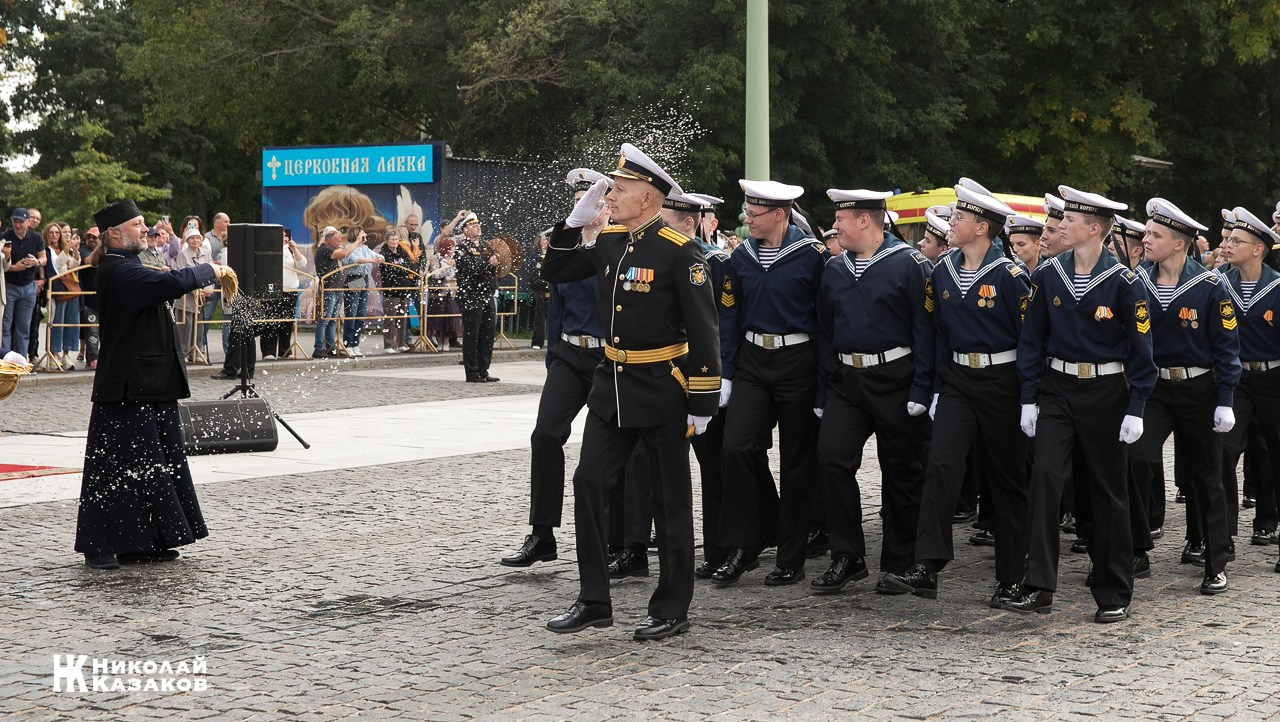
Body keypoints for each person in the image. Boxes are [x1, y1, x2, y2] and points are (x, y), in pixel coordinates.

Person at [542, 143, 719, 641]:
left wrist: (703, 402)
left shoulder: (680, 251)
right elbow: (555, 271)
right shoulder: (612, 241)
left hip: (662, 387)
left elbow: (705, 330)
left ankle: (671, 606)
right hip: (612, 386)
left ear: (648, 198)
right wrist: (572, 225)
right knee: (588, 482)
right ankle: (594, 600)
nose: (610, 197)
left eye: (619, 190)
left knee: (669, 500)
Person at [1005, 185, 1155, 623]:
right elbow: (1032, 339)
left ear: (1094, 229)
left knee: (1108, 491)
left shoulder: (1125, 282)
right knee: (1046, 477)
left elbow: (1142, 352)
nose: (1060, 226)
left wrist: (1137, 405)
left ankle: (1113, 589)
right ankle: (1039, 584)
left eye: (1070, 220)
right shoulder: (1049, 274)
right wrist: (1028, 397)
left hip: (1107, 392)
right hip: (1057, 389)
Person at [881, 183, 1028, 605]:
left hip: (1003, 382)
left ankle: (1012, 575)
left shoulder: (1010, 277)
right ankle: (927, 565)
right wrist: (932, 388)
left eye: (960, 218)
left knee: (1007, 478)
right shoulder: (943, 270)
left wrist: (1029, 396)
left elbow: (1029, 340)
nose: (951, 224)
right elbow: (935, 333)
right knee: (940, 468)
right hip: (958, 382)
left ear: (982, 228)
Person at [75, 199, 231, 569]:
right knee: (115, 469)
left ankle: (144, 541)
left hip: (150, 382)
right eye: (137, 224)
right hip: (126, 386)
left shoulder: (130, 266)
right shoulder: (118, 270)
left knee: (155, 466)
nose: (145, 229)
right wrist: (210, 269)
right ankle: (101, 544)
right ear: (114, 234)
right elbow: (171, 282)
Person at [810, 188, 934, 594]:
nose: (835, 227)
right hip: (846, 381)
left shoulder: (910, 264)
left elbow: (925, 330)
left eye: (840, 220)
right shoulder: (834, 268)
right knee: (831, 460)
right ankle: (847, 556)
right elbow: (824, 329)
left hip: (896, 379)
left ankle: (901, 560)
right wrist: (826, 386)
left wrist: (922, 387)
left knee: (901, 469)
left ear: (865, 220)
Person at [708, 179, 827, 588]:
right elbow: (730, 318)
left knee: (796, 462)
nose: (748, 220)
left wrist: (824, 382)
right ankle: (745, 544)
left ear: (780, 215)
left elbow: (824, 321)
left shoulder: (812, 256)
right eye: (747, 212)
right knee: (736, 447)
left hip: (799, 361)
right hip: (753, 362)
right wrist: (727, 373)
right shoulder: (740, 256)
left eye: (755, 214)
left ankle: (791, 557)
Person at [1127, 198, 1240, 597]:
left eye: (1154, 235)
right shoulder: (1136, 280)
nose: (1146, 240)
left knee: (1207, 474)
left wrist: (1225, 397)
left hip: (1199, 389)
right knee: (1134, 458)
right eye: (1146, 232)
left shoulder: (1210, 286)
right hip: (1154, 389)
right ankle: (1136, 548)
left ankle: (1215, 561)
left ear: (1179, 243)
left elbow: (1226, 346)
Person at [501, 168, 613, 569]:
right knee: (545, 434)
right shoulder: (565, 251)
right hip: (570, 355)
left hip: (608, 359)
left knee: (616, 449)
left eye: (593, 202)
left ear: (608, 207)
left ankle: (624, 538)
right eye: (579, 202)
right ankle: (542, 534)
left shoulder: (618, 247)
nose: (585, 208)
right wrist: (553, 360)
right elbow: (556, 311)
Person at [1215, 206, 1280, 568]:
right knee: (1224, 451)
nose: (1227, 245)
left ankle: (1271, 522)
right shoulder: (1218, 284)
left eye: (1236, 241)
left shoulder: (1277, 286)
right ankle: (1221, 538)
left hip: (1274, 379)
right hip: (1235, 380)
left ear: (1258, 249)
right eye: (1227, 239)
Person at [444, 211, 500, 382]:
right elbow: (471, 270)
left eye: (478, 225)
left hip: (486, 294)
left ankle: (484, 369)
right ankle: (472, 371)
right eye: (474, 226)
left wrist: (496, 264)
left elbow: (493, 267)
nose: (478, 228)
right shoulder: (462, 249)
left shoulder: (485, 246)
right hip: (471, 295)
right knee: (472, 334)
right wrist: (488, 264)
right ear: (466, 230)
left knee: (487, 334)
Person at [2, 208, 46, 361]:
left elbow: (44, 259)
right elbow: (1, 264)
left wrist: (36, 262)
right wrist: (15, 267)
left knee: (23, 326)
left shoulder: (36, 237)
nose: (17, 225)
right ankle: (6, 360)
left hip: (28, 286)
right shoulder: (5, 237)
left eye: (21, 222)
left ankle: (20, 360)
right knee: (5, 325)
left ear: (28, 222)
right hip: (9, 285)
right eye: (15, 221)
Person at [260, 228, 306, 359]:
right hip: (272, 290)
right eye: (280, 235)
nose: (284, 238)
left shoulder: (289, 250)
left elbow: (302, 264)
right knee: (270, 321)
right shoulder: (267, 249)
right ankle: (268, 351)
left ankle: (285, 350)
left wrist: (294, 248)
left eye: (285, 235)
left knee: (287, 322)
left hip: (290, 290)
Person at [340, 226, 383, 357]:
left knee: (361, 313)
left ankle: (356, 343)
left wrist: (380, 258)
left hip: (364, 278)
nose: (365, 234)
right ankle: (348, 344)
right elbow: (355, 260)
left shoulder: (365, 248)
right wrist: (372, 260)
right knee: (352, 313)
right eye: (362, 233)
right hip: (354, 278)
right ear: (356, 235)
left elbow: (377, 255)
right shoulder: (350, 247)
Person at [172, 227, 214, 359]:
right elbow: (182, 274)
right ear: (187, 240)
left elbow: (212, 270)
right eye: (192, 238)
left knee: (200, 325)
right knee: (186, 326)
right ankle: (183, 353)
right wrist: (195, 291)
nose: (195, 240)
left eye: (197, 238)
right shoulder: (182, 254)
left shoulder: (206, 252)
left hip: (203, 297)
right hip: (187, 298)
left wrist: (209, 289)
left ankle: (197, 351)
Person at [46, 222, 82, 370]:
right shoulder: (48, 249)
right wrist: (67, 249)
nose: (56, 235)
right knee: (58, 321)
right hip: (59, 288)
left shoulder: (65, 248)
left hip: (71, 287)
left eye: (58, 232)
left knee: (72, 321)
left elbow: (74, 265)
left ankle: (66, 353)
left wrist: (75, 251)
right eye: (52, 232)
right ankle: (54, 352)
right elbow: (57, 264)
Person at [311, 226, 352, 358]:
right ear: (329, 240)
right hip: (328, 289)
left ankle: (330, 347)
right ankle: (318, 348)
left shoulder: (330, 249)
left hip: (336, 288)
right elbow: (343, 254)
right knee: (324, 319)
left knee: (333, 320)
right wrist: (357, 242)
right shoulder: (324, 249)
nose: (340, 242)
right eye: (337, 240)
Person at [379, 228, 416, 353]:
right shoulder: (384, 253)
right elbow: (390, 270)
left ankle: (401, 343)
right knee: (390, 318)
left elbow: (410, 266)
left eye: (396, 239)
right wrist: (402, 269)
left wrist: (402, 270)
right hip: (391, 290)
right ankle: (388, 345)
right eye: (392, 239)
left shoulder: (402, 251)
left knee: (402, 318)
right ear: (387, 240)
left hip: (403, 289)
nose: (395, 242)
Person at [425, 237, 463, 349]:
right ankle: (439, 342)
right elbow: (435, 274)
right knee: (438, 320)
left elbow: (457, 274)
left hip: (451, 292)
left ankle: (446, 342)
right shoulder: (435, 258)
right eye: (452, 247)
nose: (454, 249)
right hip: (439, 293)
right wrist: (448, 268)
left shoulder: (454, 259)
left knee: (450, 319)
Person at [529, 231, 550, 349]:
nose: (546, 241)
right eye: (544, 239)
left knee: (553, 315)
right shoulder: (535, 256)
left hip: (551, 288)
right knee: (539, 316)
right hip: (540, 289)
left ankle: (554, 340)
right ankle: (537, 341)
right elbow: (534, 274)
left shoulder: (552, 254)